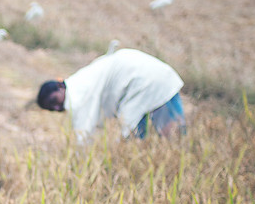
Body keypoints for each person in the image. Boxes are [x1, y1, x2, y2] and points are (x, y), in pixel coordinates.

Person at [36, 48, 187, 144]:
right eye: (53, 109)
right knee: (139, 138)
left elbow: (83, 129)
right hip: (153, 78)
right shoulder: (82, 80)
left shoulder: (77, 90)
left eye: (54, 101)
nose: (57, 107)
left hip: (145, 80)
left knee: (174, 139)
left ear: (61, 86)